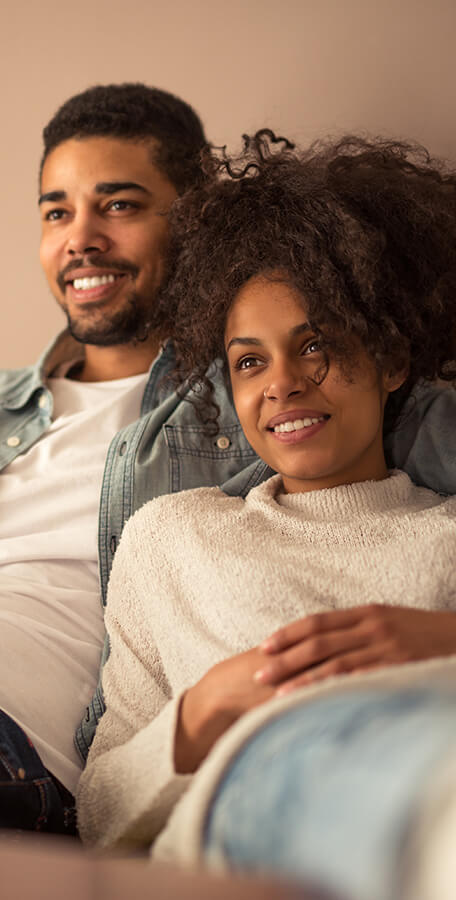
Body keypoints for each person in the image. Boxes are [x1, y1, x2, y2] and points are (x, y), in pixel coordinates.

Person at [0, 87, 454, 836]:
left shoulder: (265, 392)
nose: (81, 238)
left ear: (194, 222)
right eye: (56, 212)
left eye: (119, 206)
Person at [75, 133, 456, 899]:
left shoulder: (446, 534)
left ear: (390, 361)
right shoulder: (173, 536)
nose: (280, 384)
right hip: (261, 791)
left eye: (314, 346)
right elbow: (98, 815)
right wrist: (204, 710)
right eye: (249, 360)